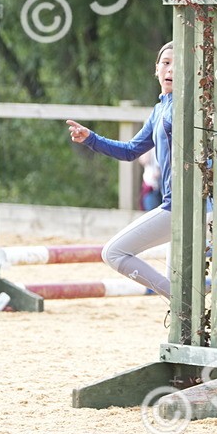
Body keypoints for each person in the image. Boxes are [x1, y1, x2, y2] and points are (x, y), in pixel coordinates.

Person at [66, 42, 174, 298]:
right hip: (177, 209)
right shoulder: (159, 109)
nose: (170, 69)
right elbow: (130, 150)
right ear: (156, 69)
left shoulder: (187, 104)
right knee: (176, 281)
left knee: (113, 252)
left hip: (189, 208)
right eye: (166, 62)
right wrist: (91, 138)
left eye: (178, 64)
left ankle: (184, 300)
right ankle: (186, 304)